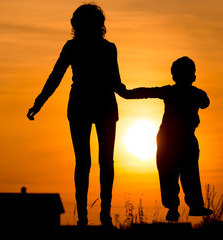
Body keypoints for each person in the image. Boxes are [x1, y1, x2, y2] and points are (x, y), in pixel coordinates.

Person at [27, 4, 126, 227]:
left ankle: (94, 215)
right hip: (95, 106)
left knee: (89, 162)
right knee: (98, 163)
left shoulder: (84, 47)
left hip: (90, 105)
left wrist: (39, 102)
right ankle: (98, 215)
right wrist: (39, 102)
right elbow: (57, 76)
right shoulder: (103, 48)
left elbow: (56, 76)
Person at [121, 57, 213, 221]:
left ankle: (179, 206)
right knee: (183, 173)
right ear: (193, 76)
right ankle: (186, 206)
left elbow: (146, 92)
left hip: (173, 139)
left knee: (173, 173)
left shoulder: (173, 91)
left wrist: (126, 93)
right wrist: (126, 93)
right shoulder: (192, 93)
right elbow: (205, 103)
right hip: (176, 138)